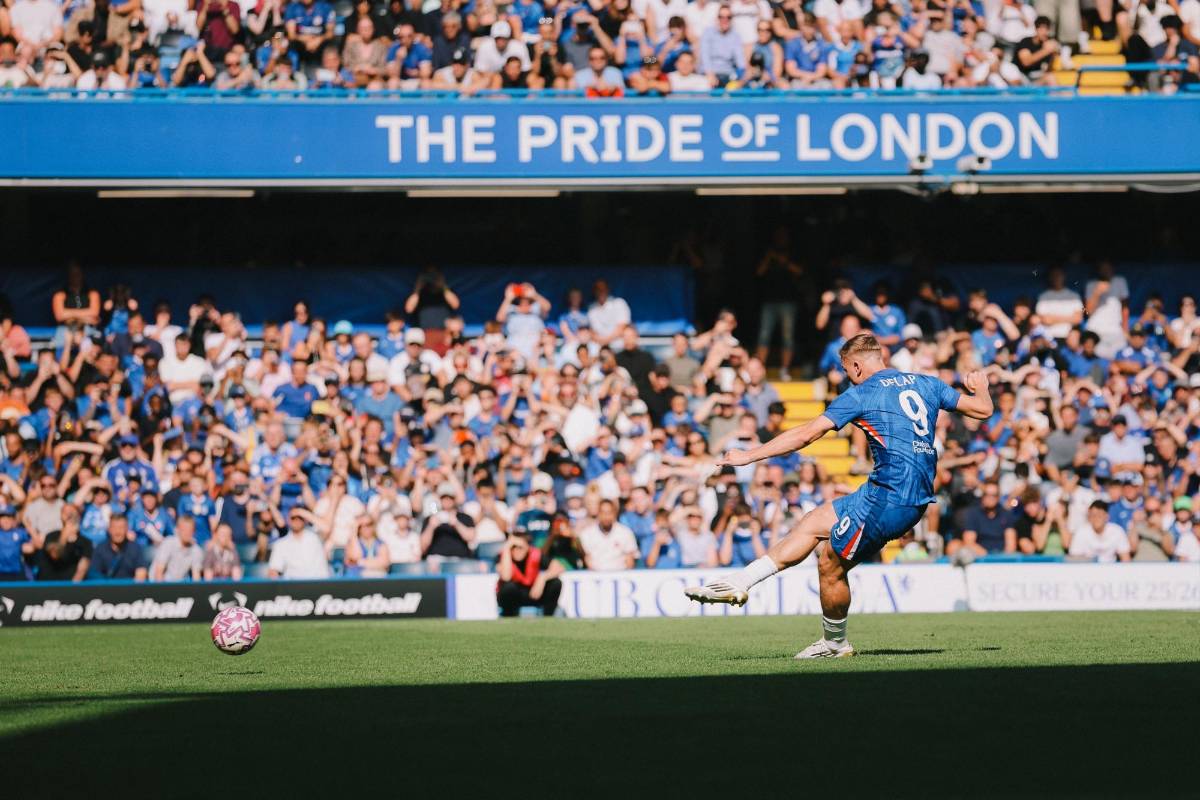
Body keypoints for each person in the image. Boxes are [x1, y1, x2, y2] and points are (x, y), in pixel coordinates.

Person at [686, 332, 994, 659]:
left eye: (847, 371)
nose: (847, 377)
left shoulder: (861, 393)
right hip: (890, 491)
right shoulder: (926, 383)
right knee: (812, 522)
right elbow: (983, 409)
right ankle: (741, 581)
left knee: (830, 564)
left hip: (889, 500)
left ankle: (835, 644)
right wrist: (981, 387)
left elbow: (806, 435)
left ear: (856, 366)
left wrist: (749, 455)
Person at [496, 533, 562, 616]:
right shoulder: (504, 556)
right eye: (513, 547)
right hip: (514, 596)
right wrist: (507, 548)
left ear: (527, 547)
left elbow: (559, 568)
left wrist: (542, 578)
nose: (516, 550)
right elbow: (506, 577)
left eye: (520, 547)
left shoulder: (535, 554)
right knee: (509, 587)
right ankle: (509, 616)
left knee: (556, 583)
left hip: (533, 593)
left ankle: (548, 616)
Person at [151, 514, 205, 581]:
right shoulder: (168, 543)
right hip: (158, 584)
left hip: (180, 585)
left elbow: (196, 577)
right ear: (178, 530)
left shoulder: (196, 550)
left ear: (194, 532)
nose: (187, 533)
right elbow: (158, 573)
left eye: (190, 530)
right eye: (184, 529)